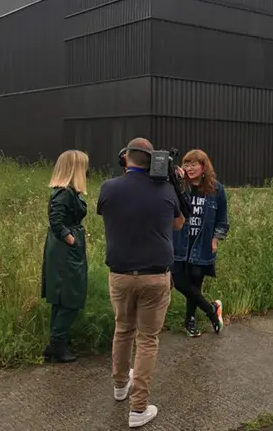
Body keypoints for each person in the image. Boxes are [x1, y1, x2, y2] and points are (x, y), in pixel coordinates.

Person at [97, 137, 185, 428]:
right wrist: (174, 184)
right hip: (155, 275)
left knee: (123, 329)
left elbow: (108, 213)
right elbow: (178, 223)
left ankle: (120, 386)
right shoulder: (167, 189)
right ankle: (138, 408)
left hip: (121, 273)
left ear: (125, 158)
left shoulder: (109, 188)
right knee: (147, 339)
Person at [172, 149, 229, 337]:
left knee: (195, 284)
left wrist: (216, 239)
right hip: (180, 242)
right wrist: (176, 181)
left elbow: (222, 219)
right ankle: (212, 311)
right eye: (186, 164)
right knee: (179, 281)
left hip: (202, 244)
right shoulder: (180, 187)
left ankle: (190, 320)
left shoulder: (216, 189)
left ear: (204, 167)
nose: (189, 168)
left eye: (194, 164)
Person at [41, 149, 90, 363]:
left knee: (63, 299)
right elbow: (56, 221)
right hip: (65, 252)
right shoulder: (64, 193)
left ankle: (56, 344)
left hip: (65, 249)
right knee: (70, 296)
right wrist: (72, 238)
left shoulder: (68, 192)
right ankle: (56, 344)